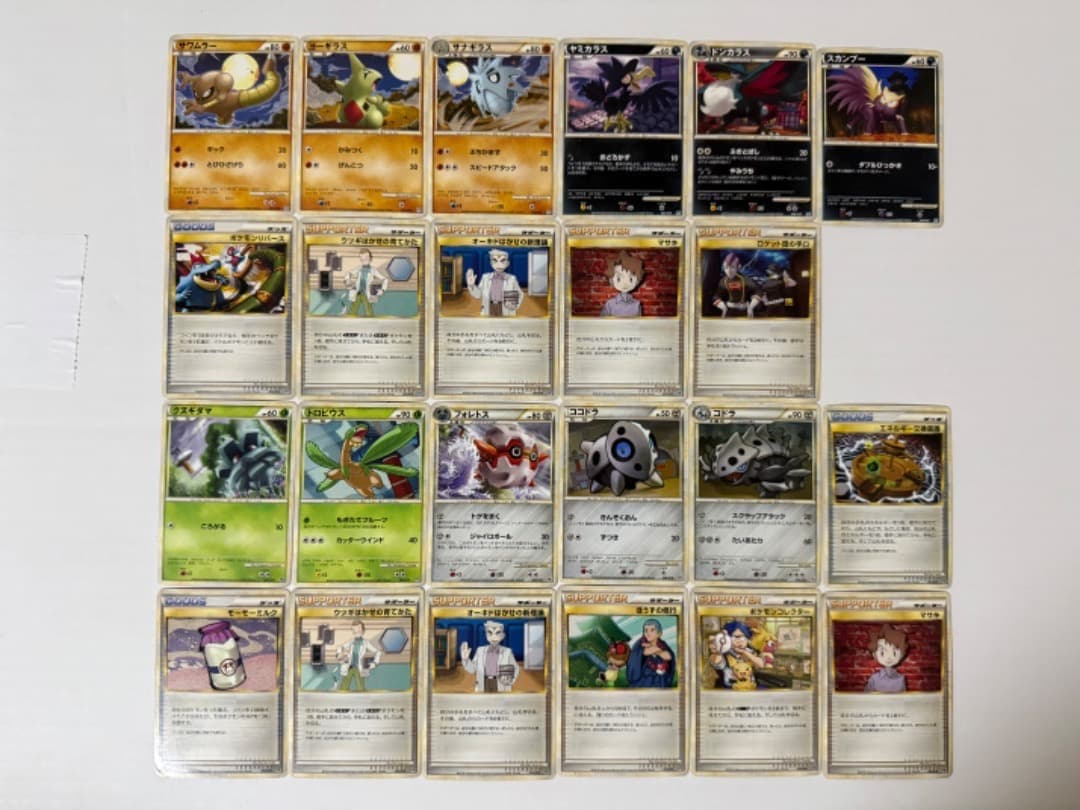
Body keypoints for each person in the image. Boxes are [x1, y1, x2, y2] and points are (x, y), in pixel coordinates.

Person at [460, 620, 519, 692]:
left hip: (501, 684)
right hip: (483, 683)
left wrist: (510, 681)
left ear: (502, 636)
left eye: (497, 633)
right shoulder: (480, 651)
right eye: (490, 633)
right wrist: (466, 659)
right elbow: (472, 670)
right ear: (486, 635)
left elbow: (516, 668)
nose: (493, 637)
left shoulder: (507, 652)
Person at [466, 248, 522, 317]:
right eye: (495, 261)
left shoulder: (512, 279)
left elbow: (520, 294)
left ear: (507, 263)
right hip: (489, 306)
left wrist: (515, 305)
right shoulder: (485, 277)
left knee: (505, 323)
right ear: (491, 263)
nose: (499, 264)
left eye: (502, 261)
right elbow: (478, 295)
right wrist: (471, 286)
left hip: (505, 308)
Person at [626, 619, 675, 688]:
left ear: (659, 634)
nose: (648, 633)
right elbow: (639, 655)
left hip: (661, 680)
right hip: (644, 680)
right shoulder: (639, 643)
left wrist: (653, 648)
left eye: (652, 630)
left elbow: (668, 656)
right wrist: (657, 650)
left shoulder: (663, 644)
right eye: (646, 630)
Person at [337, 620, 381, 691]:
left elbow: (378, 652)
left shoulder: (365, 642)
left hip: (360, 668)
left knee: (361, 688)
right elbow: (340, 647)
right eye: (354, 629)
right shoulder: (351, 641)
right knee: (343, 687)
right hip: (349, 667)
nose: (356, 630)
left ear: (362, 630)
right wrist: (340, 655)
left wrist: (375, 663)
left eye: (358, 628)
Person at [598, 251, 645, 316]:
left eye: (630, 279)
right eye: (618, 279)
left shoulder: (637, 304)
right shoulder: (610, 304)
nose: (625, 284)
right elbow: (602, 321)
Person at [865, 625, 908, 693]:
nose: (889, 657)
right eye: (882, 653)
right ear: (874, 654)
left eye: (894, 653)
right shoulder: (874, 678)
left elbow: (904, 697)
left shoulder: (901, 678)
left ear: (902, 654)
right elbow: (866, 696)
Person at [349, 248, 389, 316]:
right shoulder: (359, 268)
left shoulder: (373, 270)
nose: (363, 259)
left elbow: (385, 279)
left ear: (370, 258)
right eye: (361, 257)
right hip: (358, 292)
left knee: (369, 312)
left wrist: (382, 289)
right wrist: (348, 281)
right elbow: (349, 274)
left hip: (367, 293)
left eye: (366, 257)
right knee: (352, 311)